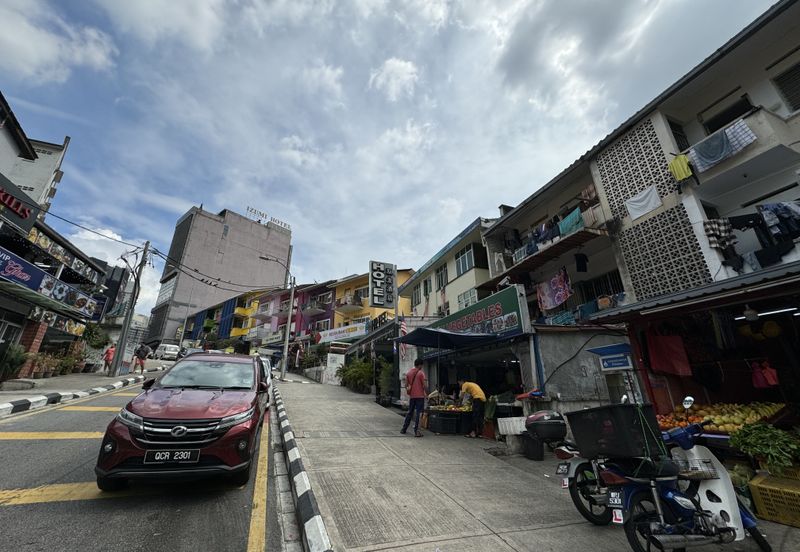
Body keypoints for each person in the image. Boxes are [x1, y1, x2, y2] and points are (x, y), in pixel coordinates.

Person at [401, 358, 427, 437]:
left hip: (412, 396)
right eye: (421, 365)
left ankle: (404, 429)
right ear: (420, 365)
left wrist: (409, 390)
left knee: (410, 412)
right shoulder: (421, 373)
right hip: (420, 396)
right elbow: (425, 385)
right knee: (419, 413)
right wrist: (426, 393)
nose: (422, 367)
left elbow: (406, 385)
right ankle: (417, 431)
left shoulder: (408, 373)